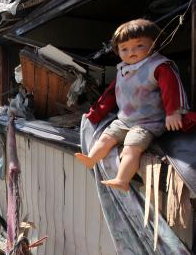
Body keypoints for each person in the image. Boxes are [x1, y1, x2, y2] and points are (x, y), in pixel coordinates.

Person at [74, 19, 189, 192]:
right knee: (105, 138)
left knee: (131, 148)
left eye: (139, 46)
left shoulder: (158, 66)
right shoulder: (123, 70)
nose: (131, 52)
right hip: (125, 119)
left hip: (148, 123)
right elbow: (110, 94)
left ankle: (122, 179)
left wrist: (173, 112)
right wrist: (96, 113)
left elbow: (172, 89)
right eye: (124, 48)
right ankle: (91, 158)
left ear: (153, 44)